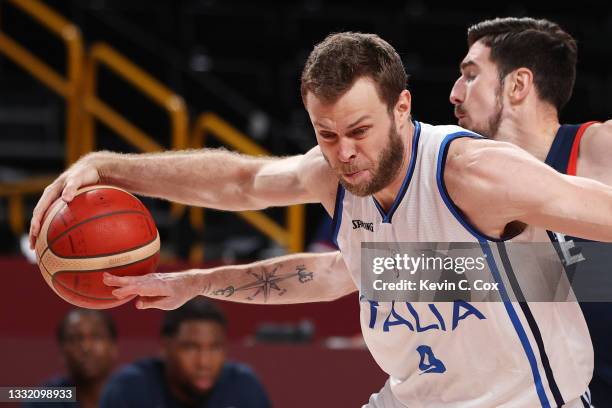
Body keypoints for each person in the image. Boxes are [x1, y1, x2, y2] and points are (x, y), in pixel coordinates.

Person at [29, 32, 612, 407]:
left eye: (359, 131)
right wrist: (112, 170)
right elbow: (252, 192)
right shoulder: (340, 176)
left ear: (401, 107)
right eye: (326, 135)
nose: (344, 152)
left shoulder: (475, 173)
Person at [449, 17, 612, 407]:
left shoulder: (599, 149)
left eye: (471, 76)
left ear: (518, 85)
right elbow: (398, 278)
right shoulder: (463, 186)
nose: (455, 93)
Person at [99, 298, 271, 408]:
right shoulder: (129, 389)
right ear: (166, 347)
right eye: (191, 348)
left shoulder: (245, 387)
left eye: (214, 348)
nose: (204, 363)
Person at [23, 309, 118, 408]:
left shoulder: (131, 395)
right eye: (75, 338)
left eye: (97, 337)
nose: (86, 347)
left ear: (113, 346)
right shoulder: (42, 401)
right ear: (62, 350)